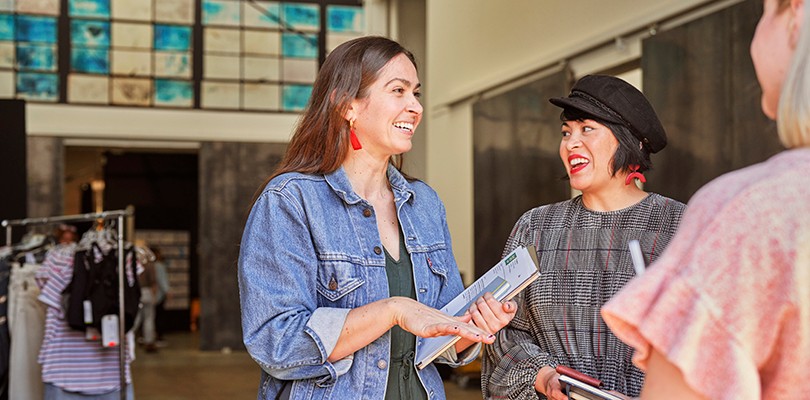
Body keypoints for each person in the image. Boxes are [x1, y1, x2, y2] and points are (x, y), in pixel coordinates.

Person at [238, 36, 517, 400]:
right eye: (398, 91)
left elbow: (444, 343)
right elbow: (277, 343)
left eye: (416, 93)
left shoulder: (425, 205)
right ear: (346, 106)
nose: (415, 107)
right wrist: (394, 310)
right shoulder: (291, 202)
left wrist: (472, 327)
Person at [601, 0, 810, 398]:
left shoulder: (743, 210)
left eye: (764, 11)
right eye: (566, 131)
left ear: (795, 15)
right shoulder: (535, 224)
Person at [481, 74, 686, 400]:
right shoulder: (535, 227)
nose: (570, 143)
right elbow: (505, 332)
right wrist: (544, 376)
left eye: (586, 129)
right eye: (566, 132)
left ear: (628, 139)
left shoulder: (679, 226)